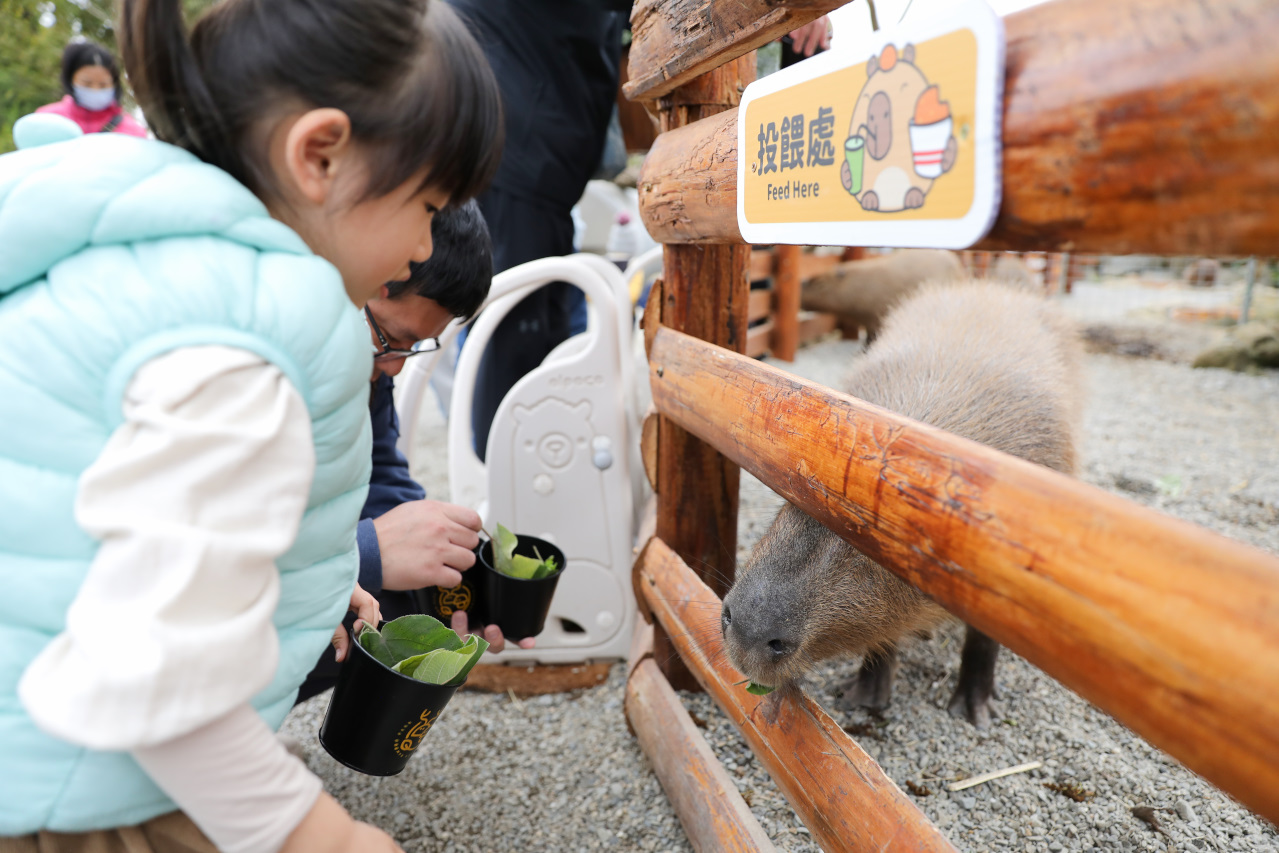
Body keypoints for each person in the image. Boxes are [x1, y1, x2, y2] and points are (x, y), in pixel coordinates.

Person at [0, 0, 501, 851]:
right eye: (427, 202)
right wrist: (313, 832)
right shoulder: (246, 344)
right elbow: (148, 671)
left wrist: (309, 579)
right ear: (320, 155)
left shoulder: (146, 252)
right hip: (82, 791)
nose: (422, 247)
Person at [296, 200, 535, 705]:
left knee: (410, 589)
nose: (395, 369)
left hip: (292, 562)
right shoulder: (249, 369)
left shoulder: (363, 353)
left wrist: (456, 577)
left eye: (414, 348)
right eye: (391, 339)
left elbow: (379, 466)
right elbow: (210, 551)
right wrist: (365, 552)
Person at [443, 0, 630, 460]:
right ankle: (504, 496)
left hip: (538, 161)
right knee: (513, 336)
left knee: (540, 333)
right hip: (517, 151)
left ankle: (531, 484)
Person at [35, 40, 148, 137]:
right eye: (87, 84)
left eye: (103, 84)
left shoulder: (133, 133)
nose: (95, 90)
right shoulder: (46, 120)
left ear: (115, 83)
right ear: (70, 80)